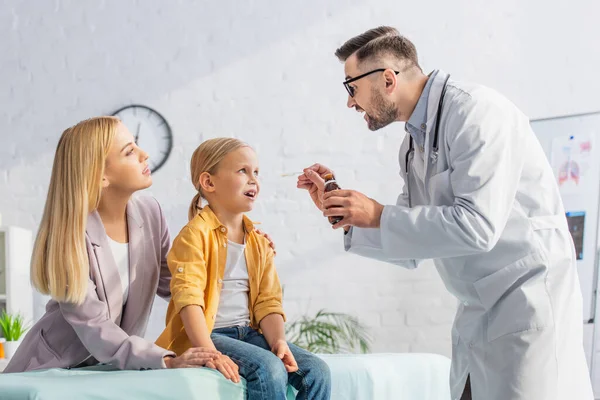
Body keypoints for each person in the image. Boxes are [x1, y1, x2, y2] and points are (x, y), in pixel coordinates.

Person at [297, 26, 593, 400]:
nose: (350, 103)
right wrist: (345, 212)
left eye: (351, 88)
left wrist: (376, 214)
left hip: (525, 302)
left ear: (387, 79)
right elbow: (413, 247)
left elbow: (478, 227)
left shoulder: (476, 112)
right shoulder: (413, 144)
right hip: (477, 312)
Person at [4, 117, 272, 373]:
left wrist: (243, 254)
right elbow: (95, 326)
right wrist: (166, 359)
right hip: (51, 368)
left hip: (108, 368)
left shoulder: (150, 213)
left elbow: (181, 283)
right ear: (101, 176)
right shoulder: (70, 238)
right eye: (129, 151)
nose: (144, 154)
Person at [155, 138, 331, 400]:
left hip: (248, 333)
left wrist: (278, 342)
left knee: (318, 371)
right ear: (209, 182)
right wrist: (208, 351)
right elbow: (188, 300)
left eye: (256, 172)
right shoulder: (193, 236)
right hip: (211, 334)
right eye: (243, 171)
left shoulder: (258, 242)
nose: (254, 179)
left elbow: (268, 303)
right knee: (268, 368)